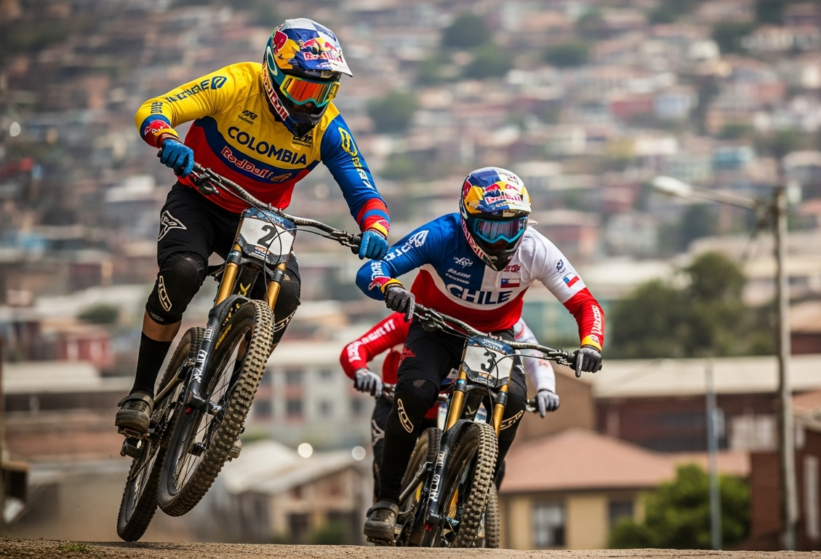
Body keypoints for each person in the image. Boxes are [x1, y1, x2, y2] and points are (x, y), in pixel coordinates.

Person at [116, 18, 391, 434]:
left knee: (286, 295)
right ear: (273, 74)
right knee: (182, 272)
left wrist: (375, 227)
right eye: (302, 89)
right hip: (199, 199)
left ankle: (232, 403)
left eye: (324, 92)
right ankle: (140, 391)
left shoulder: (328, 129)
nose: (312, 104)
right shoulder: (237, 83)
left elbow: (364, 190)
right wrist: (167, 138)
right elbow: (156, 108)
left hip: (260, 218)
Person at [354, 166, 604, 540]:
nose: (502, 241)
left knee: (514, 402)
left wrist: (590, 343)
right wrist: (390, 287)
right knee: (414, 394)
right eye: (490, 228)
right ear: (467, 220)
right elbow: (373, 269)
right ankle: (387, 500)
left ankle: (478, 492)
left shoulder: (536, 249)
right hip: (435, 330)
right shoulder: (441, 235)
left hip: (494, 337)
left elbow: (586, 304)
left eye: (512, 228)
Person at [340, 307, 560, 500]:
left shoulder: (504, 319)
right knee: (386, 464)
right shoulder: (414, 316)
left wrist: (546, 388)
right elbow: (358, 347)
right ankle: (385, 507)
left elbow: (534, 354)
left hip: (455, 410)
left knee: (495, 464)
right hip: (397, 404)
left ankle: (471, 517)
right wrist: (361, 371)